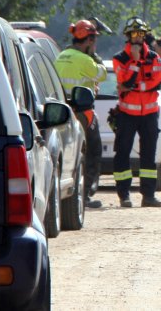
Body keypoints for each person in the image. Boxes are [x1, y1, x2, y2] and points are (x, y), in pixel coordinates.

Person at [111, 17, 161, 208]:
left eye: (141, 33)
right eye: (134, 33)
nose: (138, 37)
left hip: (150, 113)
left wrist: (135, 86)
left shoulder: (154, 57)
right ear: (128, 35)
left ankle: (148, 196)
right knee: (122, 153)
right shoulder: (119, 58)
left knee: (149, 154)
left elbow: (156, 83)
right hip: (127, 114)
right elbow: (124, 81)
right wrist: (134, 61)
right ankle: (124, 195)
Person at [53, 19, 107, 209]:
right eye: (94, 40)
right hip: (83, 113)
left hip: (62, 112)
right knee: (92, 151)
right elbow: (102, 74)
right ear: (89, 40)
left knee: (70, 154)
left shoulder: (61, 56)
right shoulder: (85, 60)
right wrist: (94, 56)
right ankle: (85, 195)